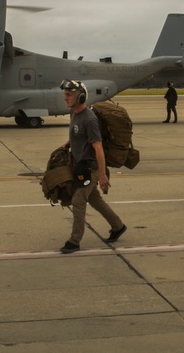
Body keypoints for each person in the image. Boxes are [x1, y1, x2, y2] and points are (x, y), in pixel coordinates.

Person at [57, 79, 126, 253]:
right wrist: (68, 143)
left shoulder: (89, 119)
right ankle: (118, 226)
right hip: (80, 165)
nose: (65, 98)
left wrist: (102, 175)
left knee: (78, 201)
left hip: (90, 168)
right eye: (65, 94)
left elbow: (98, 147)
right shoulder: (75, 114)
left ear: (80, 97)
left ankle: (74, 241)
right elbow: (79, 136)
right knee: (95, 200)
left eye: (69, 95)